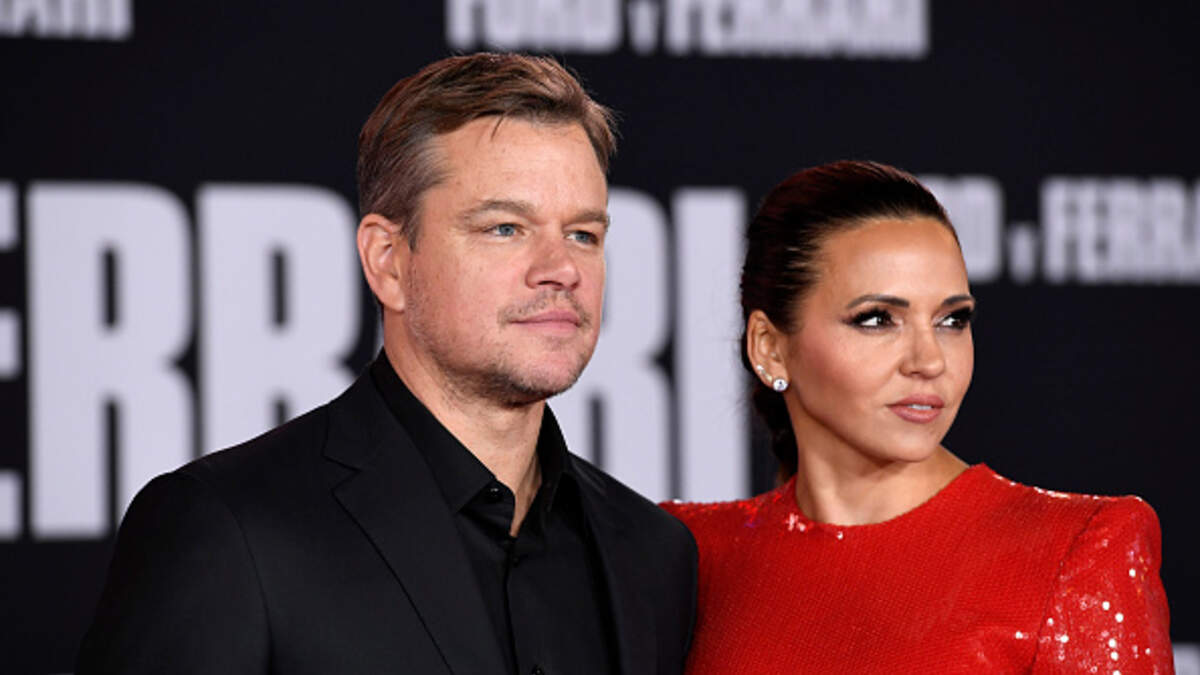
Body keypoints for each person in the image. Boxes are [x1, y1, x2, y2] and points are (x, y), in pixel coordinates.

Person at [77, 53, 697, 675]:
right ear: (388, 261)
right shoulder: (228, 529)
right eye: (505, 228)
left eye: (583, 234)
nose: (561, 269)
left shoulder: (652, 554)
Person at [663, 160, 1172, 673]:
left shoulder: (1076, 553)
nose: (929, 361)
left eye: (952, 320)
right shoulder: (683, 556)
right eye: (877, 319)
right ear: (770, 349)